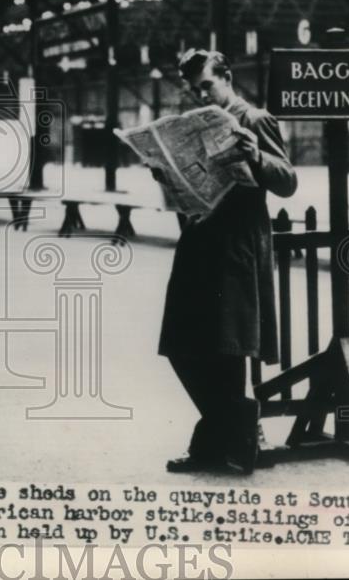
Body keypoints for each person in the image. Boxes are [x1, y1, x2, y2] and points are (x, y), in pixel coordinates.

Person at [153, 49, 297, 475]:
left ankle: (221, 442)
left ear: (227, 77)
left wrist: (256, 155)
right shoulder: (196, 126)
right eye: (195, 90)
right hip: (200, 239)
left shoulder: (254, 119)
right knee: (181, 342)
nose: (202, 96)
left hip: (236, 243)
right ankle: (238, 423)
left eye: (207, 86)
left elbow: (287, 181)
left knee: (227, 345)